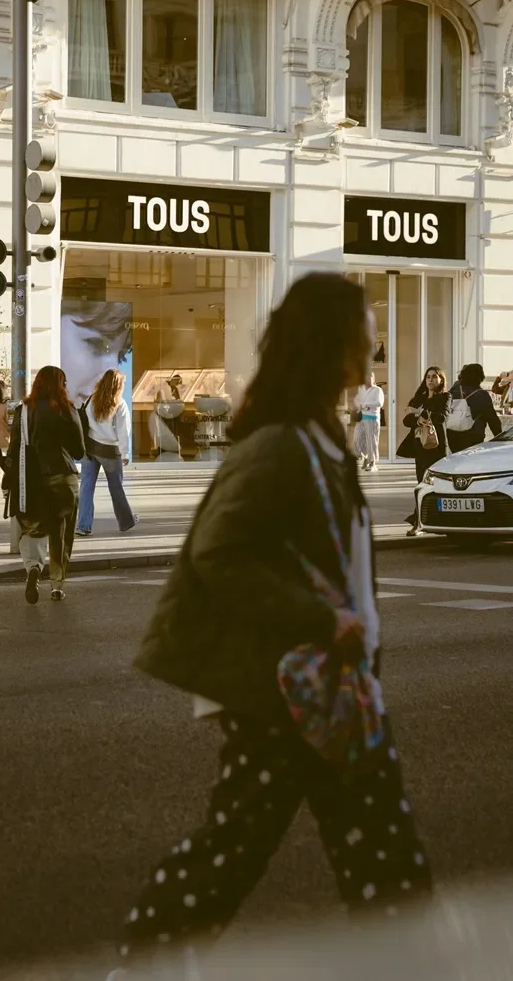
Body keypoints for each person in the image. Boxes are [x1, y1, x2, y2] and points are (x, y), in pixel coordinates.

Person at [114, 274, 431, 974]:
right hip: (285, 688)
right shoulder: (283, 443)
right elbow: (217, 551)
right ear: (333, 343)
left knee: (377, 855)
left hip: (328, 682)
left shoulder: (318, 434)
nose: (375, 338)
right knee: (241, 849)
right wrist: (323, 618)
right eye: (365, 326)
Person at [6, 365, 85, 604]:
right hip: (62, 476)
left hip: (32, 479)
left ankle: (33, 567)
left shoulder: (23, 411)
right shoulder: (66, 409)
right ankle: (57, 585)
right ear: (61, 385)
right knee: (61, 532)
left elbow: (14, 448)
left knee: (33, 527)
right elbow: (79, 451)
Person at [76, 368, 138, 537]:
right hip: (110, 451)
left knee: (86, 487)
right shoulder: (120, 405)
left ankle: (83, 525)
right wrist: (125, 453)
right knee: (116, 487)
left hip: (90, 448)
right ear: (118, 385)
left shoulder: (91, 399)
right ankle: (125, 522)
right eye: (123, 383)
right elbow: (123, 432)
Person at [397, 367, 449, 537]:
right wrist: (417, 419)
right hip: (420, 446)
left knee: (439, 485)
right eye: (428, 377)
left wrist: (420, 414)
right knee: (421, 484)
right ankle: (418, 523)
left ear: (441, 380)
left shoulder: (445, 397)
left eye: (434, 377)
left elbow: (442, 417)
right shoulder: (418, 398)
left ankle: (442, 521)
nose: (430, 380)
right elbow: (406, 420)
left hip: (436, 447)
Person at [446, 363, 503, 453]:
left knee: (457, 458)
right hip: (473, 436)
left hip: (453, 434)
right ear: (480, 377)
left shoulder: (454, 390)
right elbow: (492, 419)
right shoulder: (482, 395)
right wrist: (499, 438)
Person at [353, 371, 384, 472]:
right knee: (357, 440)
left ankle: (372, 463)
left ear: (373, 378)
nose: (368, 378)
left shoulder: (377, 390)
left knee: (372, 441)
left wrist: (366, 404)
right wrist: (359, 405)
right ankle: (366, 457)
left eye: (370, 376)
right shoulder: (361, 389)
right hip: (361, 417)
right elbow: (356, 400)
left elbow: (379, 403)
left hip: (372, 418)